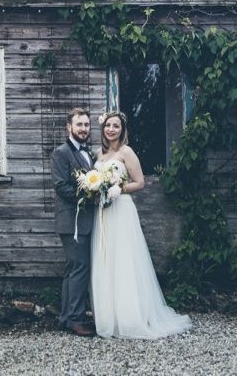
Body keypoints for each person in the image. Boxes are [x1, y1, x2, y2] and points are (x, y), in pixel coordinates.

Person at [90, 111, 191, 339]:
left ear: (122, 130)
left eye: (116, 126)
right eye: (108, 125)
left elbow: (140, 182)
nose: (111, 129)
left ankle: (129, 317)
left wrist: (120, 189)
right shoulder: (99, 153)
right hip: (103, 212)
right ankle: (109, 318)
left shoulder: (127, 152)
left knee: (123, 260)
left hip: (121, 209)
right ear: (103, 129)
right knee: (106, 260)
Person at [51, 107, 96, 336]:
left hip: (82, 219)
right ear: (69, 127)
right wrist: (90, 193)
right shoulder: (61, 152)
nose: (83, 128)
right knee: (80, 267)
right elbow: (61, 186)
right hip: (71, 219)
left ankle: (66, 318)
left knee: (72, 269)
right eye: (79, 124)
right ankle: (76, 319)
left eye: (87, 125)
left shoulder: (88, 153)